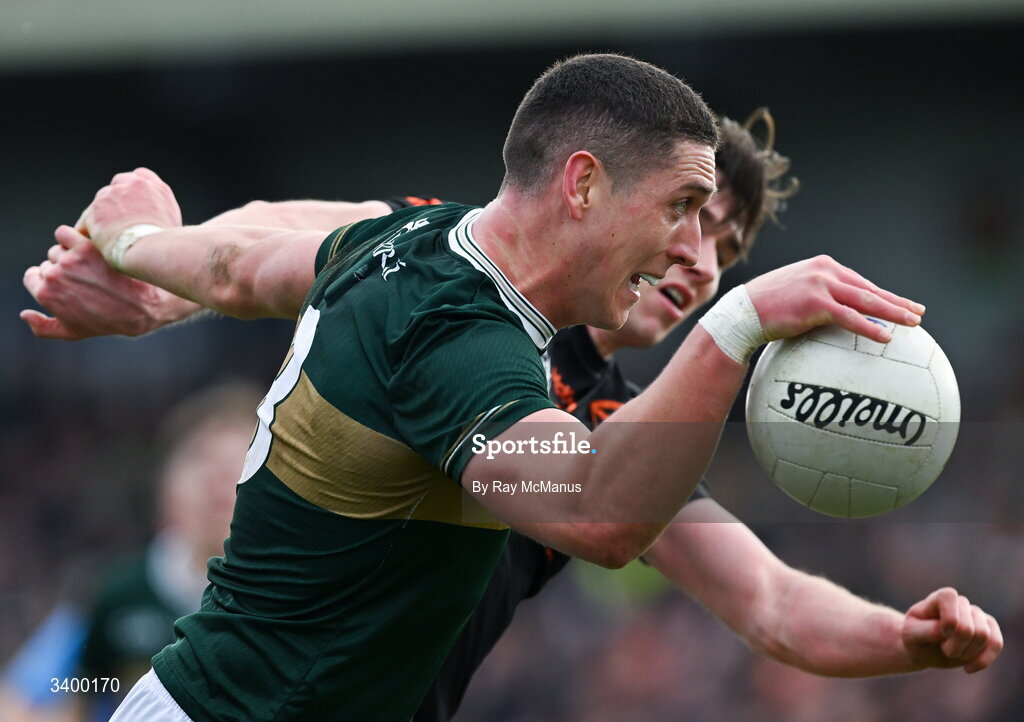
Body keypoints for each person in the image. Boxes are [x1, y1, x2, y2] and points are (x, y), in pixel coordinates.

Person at [25, 54, 944, 720]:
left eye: (726, 249)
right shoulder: (459, 321)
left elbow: (773, 600)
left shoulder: (449, 282)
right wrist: (735, 326)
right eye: (684, 214)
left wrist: (141, 260)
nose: (694, 258)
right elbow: (596, 511)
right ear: (585, 186)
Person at [0, 383, 259, 722]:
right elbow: (41, 696)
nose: (219, 478)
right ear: (166, 485)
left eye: (242, 457)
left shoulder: (299, 599)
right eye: (201, 458)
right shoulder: (113, 594)